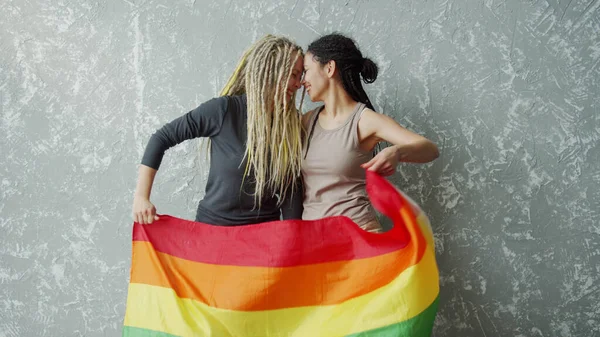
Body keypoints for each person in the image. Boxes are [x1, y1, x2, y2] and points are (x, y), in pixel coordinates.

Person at [132, 35, 305, 226]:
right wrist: (141, 197)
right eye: (293, 74)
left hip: (262, 240)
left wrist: (292, 232)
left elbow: (291, 188)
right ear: (272, 72)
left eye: (300, 76)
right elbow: (161, 138)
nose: (298, 84)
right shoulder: (224, 110)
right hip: (212, 235)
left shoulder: (292, 124)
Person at [300, 33, 439, 232]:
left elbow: (430, 149)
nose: (303, 80)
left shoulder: (365, 120)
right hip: (315, 246)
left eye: (306, 71)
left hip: (361, 241)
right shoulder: (306, 121)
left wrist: (397, 153)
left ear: (329, 68)